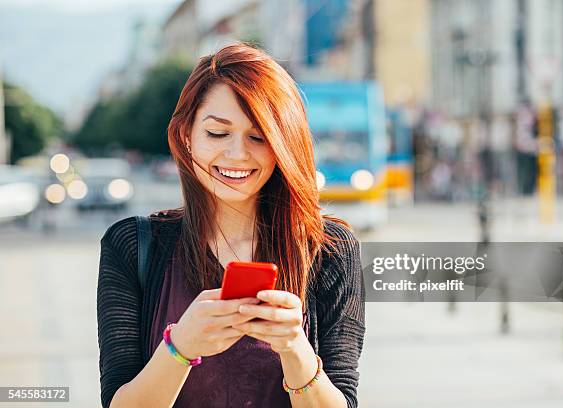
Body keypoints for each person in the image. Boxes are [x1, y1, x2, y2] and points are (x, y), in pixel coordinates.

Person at [96, 43, 366, 408]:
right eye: (217, 134)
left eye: (259, 137)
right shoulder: (132, 245)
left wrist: (294, 348)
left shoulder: (329, 248)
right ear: (186, 136)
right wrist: (181, 347)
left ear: (283, 144)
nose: (237, 154)